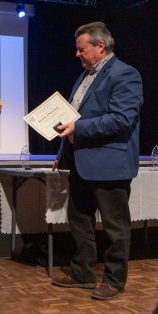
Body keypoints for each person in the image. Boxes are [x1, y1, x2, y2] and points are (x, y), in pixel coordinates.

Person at [51, 22, 143, 300]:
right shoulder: (84, 77)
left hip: (110, 165)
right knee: (79, 220)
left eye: (82, 49)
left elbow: (121, 119)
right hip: (80, 163)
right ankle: (84, 274)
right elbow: (72, 118)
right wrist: (60, 155)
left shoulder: (125, 74)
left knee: (115, 228)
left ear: (100, 46)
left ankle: (114, 281)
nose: (77, 54)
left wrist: (79, 129)